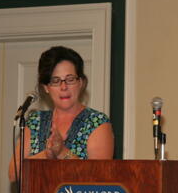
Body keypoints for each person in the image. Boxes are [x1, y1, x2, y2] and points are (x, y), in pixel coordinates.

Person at [8, 46, 114, 182]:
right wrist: (47, 154)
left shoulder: (97, 122)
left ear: (80, 82)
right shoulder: (35, 121)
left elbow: (100, 177)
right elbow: (13, 174)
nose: (64, 87)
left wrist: (63, 152)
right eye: (56, 81)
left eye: (70, 79)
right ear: (46, 87)